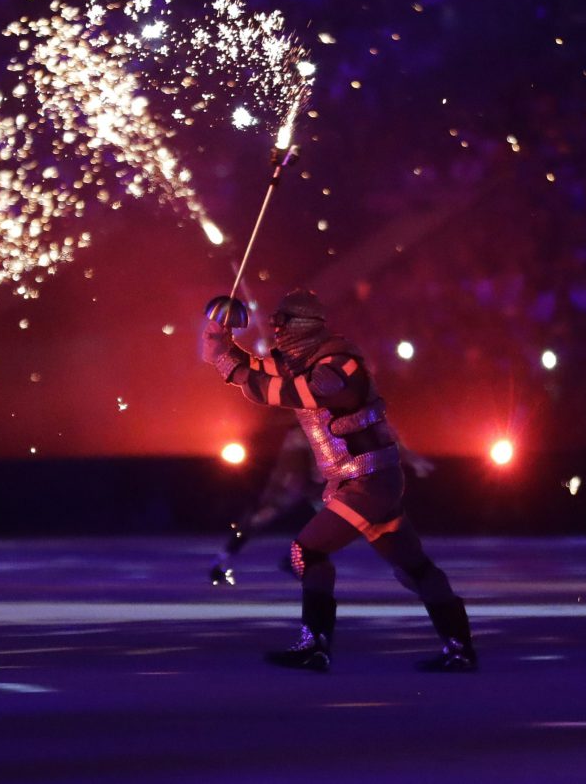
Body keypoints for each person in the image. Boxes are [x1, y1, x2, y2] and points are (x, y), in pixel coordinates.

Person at [201, 288, 476, 672]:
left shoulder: (339, 365)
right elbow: (260, 373)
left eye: (284, 322)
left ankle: (315, 644)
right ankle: (459, 648)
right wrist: (223, 347)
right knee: (413, 568)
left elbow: (286, 392)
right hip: (364, 482)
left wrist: (227, 365)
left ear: (306, 325)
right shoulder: (307, 362)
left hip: (368, 483)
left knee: (307, 551)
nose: (276, 328)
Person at [210, 424, 436, 583]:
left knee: (340, 518)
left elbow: (382, 430)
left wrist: (408, 456)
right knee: (271, 509)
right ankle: (224, 558)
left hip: (328, 464)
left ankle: (297, 557)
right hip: (313, 455)